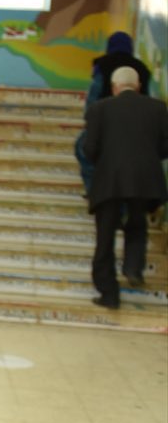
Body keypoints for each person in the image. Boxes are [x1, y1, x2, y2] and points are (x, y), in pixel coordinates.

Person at [82, 65, 168, 309]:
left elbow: (89, 149)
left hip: (109, 179)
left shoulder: (99, 109)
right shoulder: (158, 108)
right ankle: (133, 267)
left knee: (105, 236)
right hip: (144, 179)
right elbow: (165, 147)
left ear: (114, 87)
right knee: (137, 225)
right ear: (138, 86)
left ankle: (109, 294)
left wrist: (106, 162)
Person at [75, 31, 152, 194]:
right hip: (136, 129)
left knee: (82, 149)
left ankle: (93, 190)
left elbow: (93, 100)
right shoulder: (142, 69)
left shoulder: (102, 65)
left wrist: (90, 123)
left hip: (105, 126)